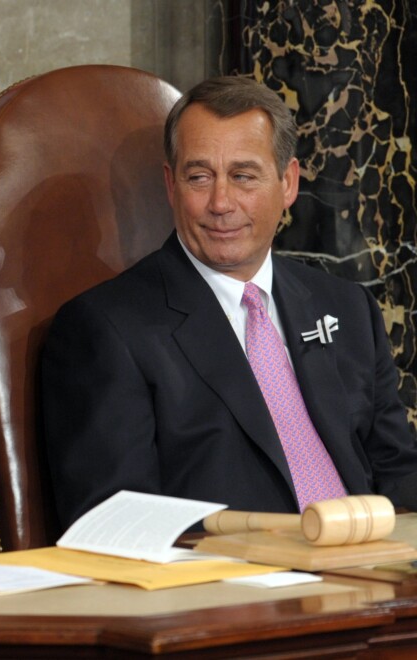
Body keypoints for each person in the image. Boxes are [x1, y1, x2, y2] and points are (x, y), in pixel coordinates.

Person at [41, 76, 417, 531]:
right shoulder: (105, 329)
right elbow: (115, 523)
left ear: (289, 183)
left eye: (243, 176)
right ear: (170, 185)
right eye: (199, 177)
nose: (221, 202)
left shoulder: (347, 307)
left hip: (377, 575)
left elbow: (400, 475)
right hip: (236, 590)